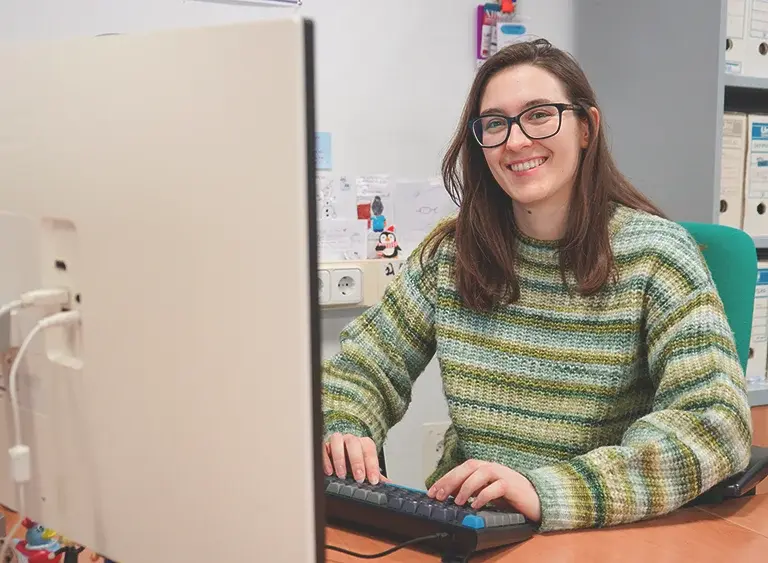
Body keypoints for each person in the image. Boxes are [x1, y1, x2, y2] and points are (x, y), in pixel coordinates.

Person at [320, 38, 753, 532]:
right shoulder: (452, 253)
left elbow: (716, 425)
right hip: (472, 527)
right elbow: (361, 367)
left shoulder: (657, 256)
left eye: (540, 114)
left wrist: (548, 491)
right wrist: (345, 427)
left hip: (597, 535)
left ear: (586, 127)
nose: (516, 140)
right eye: (495, 124)